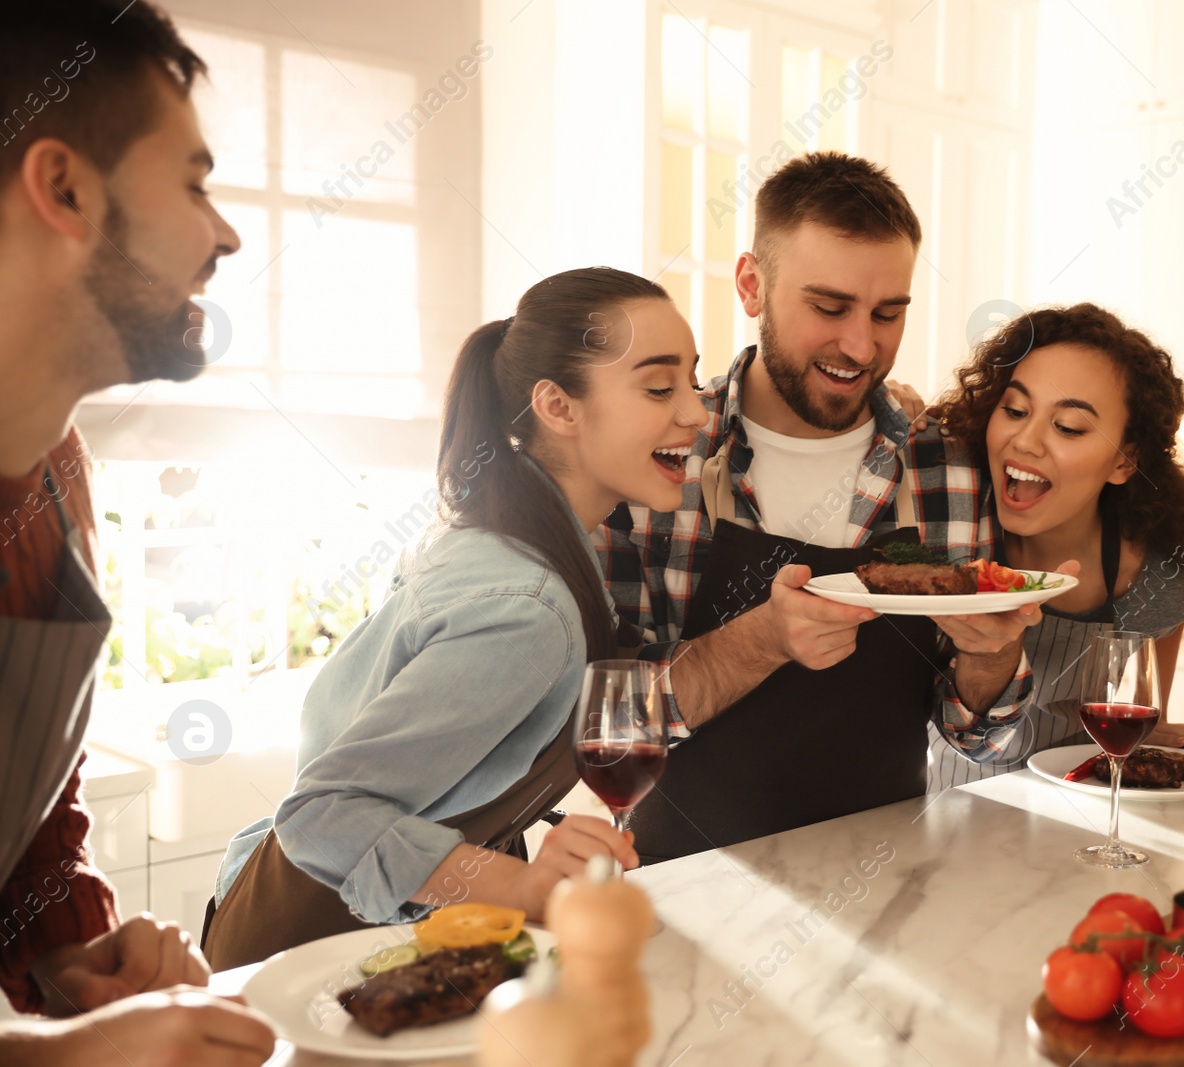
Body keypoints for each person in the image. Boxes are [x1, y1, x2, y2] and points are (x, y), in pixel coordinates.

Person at [202, 269, 704, 969]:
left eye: (693, 381)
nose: (697, 413)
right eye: (660, 387)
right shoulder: (526, 609)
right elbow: (322, 811)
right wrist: (518, 884)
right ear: (558, 407)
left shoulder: (502, 540)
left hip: (366, 933)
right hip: (311, 947)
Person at [597, 152, 1059, 862]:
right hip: (681, 893)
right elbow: (613, 725)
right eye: (829, 306)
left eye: (888, 313)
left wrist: (990, 656)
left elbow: (981, 737)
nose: (861, 345)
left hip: (887, 889)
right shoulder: (658, 461)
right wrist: (762, 640)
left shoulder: (950, 470)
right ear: (752, 285)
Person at [0, 4, 278, 1064]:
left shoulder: (56, 469)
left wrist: (71, 966)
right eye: (197, 184)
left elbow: (30, 845)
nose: (227, 233)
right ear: (65, 188)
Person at [925, 304, 1184, 789]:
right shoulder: (948, 523)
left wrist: (1156, 724)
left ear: (1125, 462)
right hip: (948, 804)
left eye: (1068, 427)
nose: (1026, 441)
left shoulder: (1163, 573)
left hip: (1078, 813)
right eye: (1015, 410)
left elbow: (1162, 631)